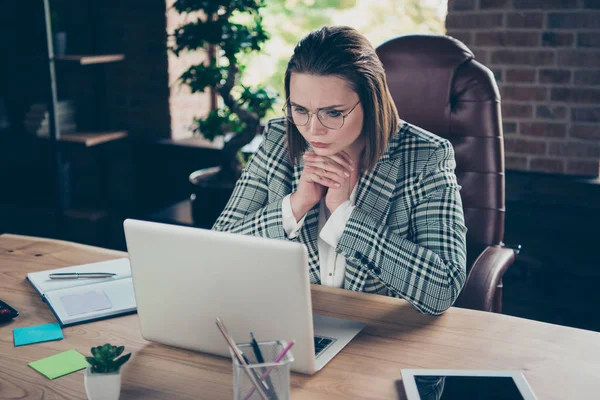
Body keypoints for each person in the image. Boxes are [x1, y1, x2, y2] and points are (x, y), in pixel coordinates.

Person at [213, 26, 467, 315]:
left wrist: (345, 216)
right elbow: (219, 251)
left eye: (333, 112)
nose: (313, 129)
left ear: (372, 103)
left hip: (380, 335)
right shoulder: (278, 139)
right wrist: (296, 205)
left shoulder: (426, 155)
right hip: (290, 325)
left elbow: (443, 288)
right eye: (299, 110)